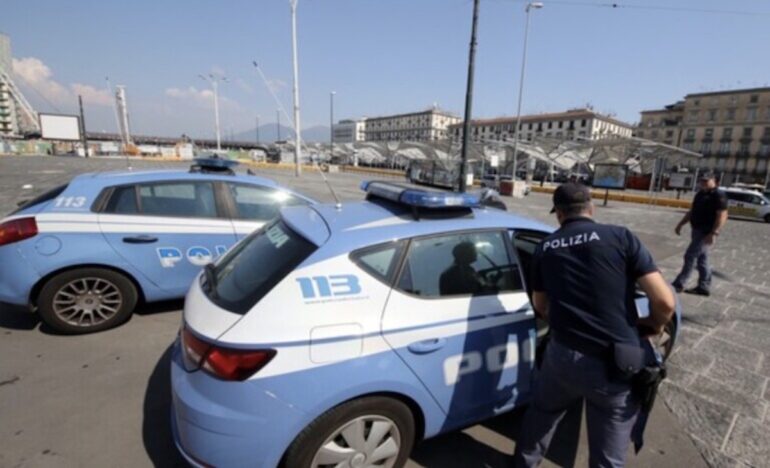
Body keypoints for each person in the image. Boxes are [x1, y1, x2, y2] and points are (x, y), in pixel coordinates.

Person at [512, 183, 676, 468]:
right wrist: (651, 325)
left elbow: (540, 307)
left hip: (562, 356)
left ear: (559, 215)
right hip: (614, 364)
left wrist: (565, 321)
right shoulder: (621, 237)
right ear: (591, 207)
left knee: (542, 413)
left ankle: (523, 464)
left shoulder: (545, 248)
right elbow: (664, 301)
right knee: (607, 454)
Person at [671, 172, 728, 296]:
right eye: (702, 180)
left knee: (690, 256)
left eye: (706, 181)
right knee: (703, 260)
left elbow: (722, 215)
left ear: (714, 181)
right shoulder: (700, 194)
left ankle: (679, 284)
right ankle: (704, 286)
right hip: (696, 230)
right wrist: (681, 224)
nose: (703, 183)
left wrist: (714, 233)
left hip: (706, 232)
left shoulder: (718, 195)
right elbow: (692, 211)